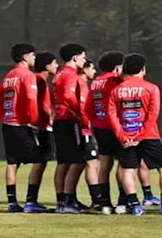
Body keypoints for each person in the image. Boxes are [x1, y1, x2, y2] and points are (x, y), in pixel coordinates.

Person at [107, 53, 162, 216]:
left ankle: (135, 205)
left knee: (128, 170)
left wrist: (122, 136)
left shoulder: (116, 90)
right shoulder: (151, 88)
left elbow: (112, 116)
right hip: (149, 136)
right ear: (143, 69)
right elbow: (153, 114)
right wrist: (141, 135)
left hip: (127, 137)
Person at [0, 43, 41, 213]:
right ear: (25, 57)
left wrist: (4, 117)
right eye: (33, 55)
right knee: (40, 160)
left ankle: (12, 202)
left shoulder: (10, 75)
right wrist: (34, 121)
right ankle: (31, 202)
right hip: (22, 125)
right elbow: (31, 99)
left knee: (12, 163)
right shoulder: (27, 75)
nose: (34, 58)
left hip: (8, 124)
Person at [51, 43, 88, 214]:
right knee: (78, 161)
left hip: (59, 120)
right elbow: (67, 95)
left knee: (64, 162)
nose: (84, 61)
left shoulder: (58, 74)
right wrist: (80, 112)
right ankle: (68, 201)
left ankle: (64, 201)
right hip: (69, 120)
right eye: (83, 57)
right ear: (75, 58)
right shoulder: (70, 74)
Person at [26, 51, 59, 213]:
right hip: (40, 128)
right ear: (47, 66)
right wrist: (41, 122)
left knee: (41, 162)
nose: (57, 66)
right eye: (54, 63)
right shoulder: (38, 81)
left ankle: (31, 200)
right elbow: (33, 104)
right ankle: (30, 201)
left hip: (43, 127)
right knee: (39, 163)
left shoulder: (43, 81)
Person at [78, 60, 102, 211]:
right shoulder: (82, 84)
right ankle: (97, 200)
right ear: (84, 69)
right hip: (85, 130)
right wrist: (89, 126)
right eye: (92, 69)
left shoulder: (82, 83)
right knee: (92, 163)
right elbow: (83, 109)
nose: (94, 72)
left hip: (81, 129)